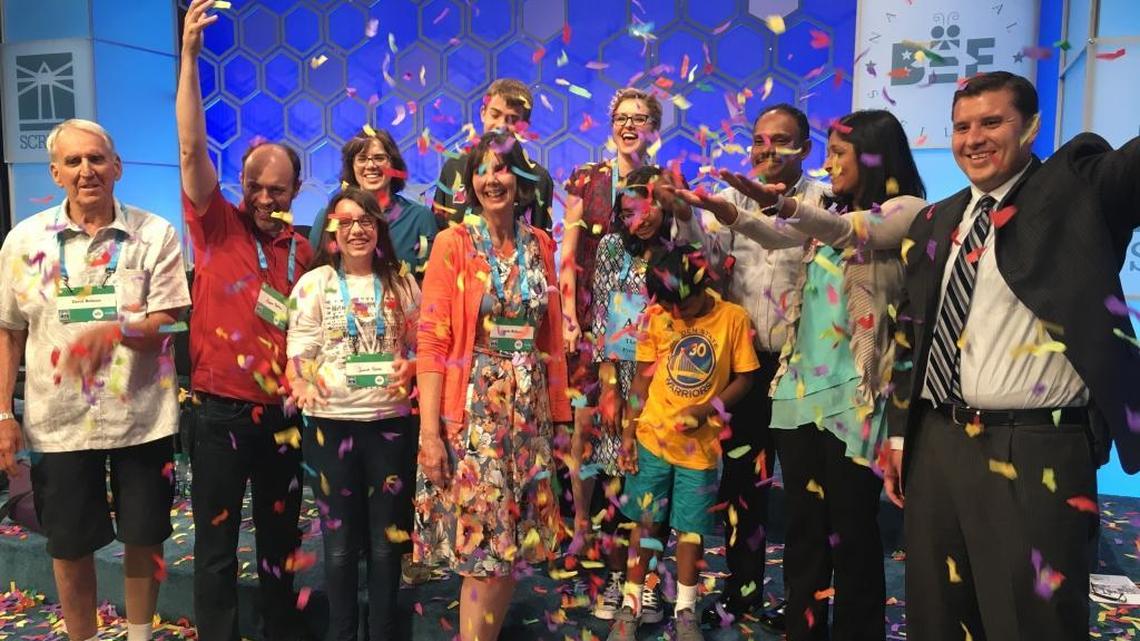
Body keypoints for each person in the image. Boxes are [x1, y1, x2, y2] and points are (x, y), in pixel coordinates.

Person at [883, 71, 1140, 641]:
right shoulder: (936, 219)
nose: (973, 138)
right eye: (961, 127)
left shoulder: (1078, 193)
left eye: (992, 122)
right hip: (937, 442)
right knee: (937, 612)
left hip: (1037, 445)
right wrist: (900, 434)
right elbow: (912, 332)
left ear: (1032, 128)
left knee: (1033, 621)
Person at [679, 109, 926, 640]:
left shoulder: (906, 211)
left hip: (852, 400)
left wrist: (778, 202)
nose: (833, 164)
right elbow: (776, 238)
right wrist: (731, 213)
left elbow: (848, 230)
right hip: (796, 394)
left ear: (875, 156)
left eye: (841, 153)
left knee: (854, 532)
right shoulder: (821, 214)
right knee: (805, 535)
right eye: (832, 154)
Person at [0, 119, 190, 641]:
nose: (88, 171)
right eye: (76, 162)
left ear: (117, 168)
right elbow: (9, 332)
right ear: (56, 172)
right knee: (69, 543)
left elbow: (173, 319)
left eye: (98, 159)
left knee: (145, 537)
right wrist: (2, 415)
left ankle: (138, 635)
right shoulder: (23, 241)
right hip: (57, 421)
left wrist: (117, 332)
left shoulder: (155, 234)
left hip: (142, 417)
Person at [177, 2, 314, 639]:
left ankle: (279, 633)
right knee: (215, 547)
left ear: (296, 192)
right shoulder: (215, 225)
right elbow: (189, 147)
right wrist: (190, 58)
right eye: (255, 186)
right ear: (241, 186)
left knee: (281, 545)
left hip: (284, 418)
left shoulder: (306, 250)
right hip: (221, 413)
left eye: (277, 189)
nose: (264, 198)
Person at [413, 129, 572, 641]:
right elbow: (433, 342)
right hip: (475, 413)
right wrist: (431, 433)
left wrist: (560, 422)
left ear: (521, 179)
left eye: (500, 168)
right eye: (480, 170)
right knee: (481, 553)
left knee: (509, 551)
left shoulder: (541, 245)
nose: (490, 179)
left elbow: (550, 339)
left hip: (528, 417)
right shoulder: (453, 243)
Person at [691, 103, 824, 631]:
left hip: (804, 369)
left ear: (806, 149)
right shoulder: (728, 200)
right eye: (760, 140)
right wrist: (685, 215)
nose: (767, 151)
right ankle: (742, 593)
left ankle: (802, 603)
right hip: (745, 368)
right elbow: (702, 257)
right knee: (743, 487)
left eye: (781, 141)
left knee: (805, 494)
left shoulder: (822, 204)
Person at [606, 244, 759, 641]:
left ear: (703, 282)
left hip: (700, 452)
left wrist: (709, 410)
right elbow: (641, 378)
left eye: (682, 307)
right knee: (645, 524)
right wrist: (627, 432)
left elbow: (745, 378)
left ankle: (686, 610)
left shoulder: (733, 319)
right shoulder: (656, 317)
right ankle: (632, 605)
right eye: (668, 307)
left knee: (690, 530)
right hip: (651, 441)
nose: (675, 315)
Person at [287, 188, 421, 641]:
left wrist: (416, 365)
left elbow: (425, 346)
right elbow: (299, 353)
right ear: (331, 233)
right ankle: (341, 634)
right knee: (340, 547)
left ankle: (382, 632)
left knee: (386, 547)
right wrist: (301, 383)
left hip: (389, 426)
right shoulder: (315, 283)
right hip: (331, 427)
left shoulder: (402, 281)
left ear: (379, 229)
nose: (356, 230)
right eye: (345, 222)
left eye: (365, 221)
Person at [576, 165, 682, 624]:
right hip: (619, 375)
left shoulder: (681, 249)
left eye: (651, 205)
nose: (641, 217)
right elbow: (603, 310)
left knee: (654, 488)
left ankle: (650, 581)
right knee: (615, 484)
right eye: (631, 208)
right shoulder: (611, 247)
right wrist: (608, 383)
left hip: (668, 381)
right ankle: (617, 580)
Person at [308, 129, 438, 280]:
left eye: (379, 158)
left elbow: (430, 284)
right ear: (352, 166)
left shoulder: (419, 218)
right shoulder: (329, 217)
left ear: (393, 165)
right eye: (362, 159)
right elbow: (314, 277)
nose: (371, 165)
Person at [432, 78, 554, 231]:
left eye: (513, 119)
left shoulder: (539, 178)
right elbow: (436, 232)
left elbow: (541, 244)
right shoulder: (454, 167)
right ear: (483, 113)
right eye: (495, 115)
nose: (501, 126)